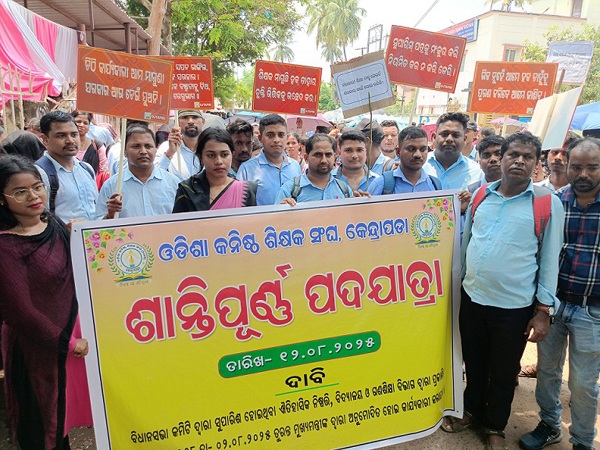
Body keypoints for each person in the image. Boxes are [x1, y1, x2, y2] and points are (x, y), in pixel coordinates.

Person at [444, 132, 564, 450]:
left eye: (528, 157)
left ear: (536, 164)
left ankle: (494, 425)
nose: (519, 161)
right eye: (513, 154)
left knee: (503, 370)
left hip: (514, 307)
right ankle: (471, 411)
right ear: (503, 157)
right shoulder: (481, 194)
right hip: (472, 298)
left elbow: (549, 259)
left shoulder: (546, 203)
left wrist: (543, 311)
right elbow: (468, 241)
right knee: (474, 362)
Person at [0, 155, 89, 449]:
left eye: (37, 187)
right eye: (20, 192)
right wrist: (68, 343)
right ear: (2, 199)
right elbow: (22, 313)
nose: (33, 196)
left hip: (69, 340)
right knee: (42, 428)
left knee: (64, 418)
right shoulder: (6, 245)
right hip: (36, 351)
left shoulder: (53, 224)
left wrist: (81, 236)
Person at [520, 137, 600, 450]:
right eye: (576, 167)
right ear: (567, 165)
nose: (583, 174)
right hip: (553, 304)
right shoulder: (555, 202)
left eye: (592, 167)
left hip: (592, 310)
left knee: (583, 383)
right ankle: (550, 425)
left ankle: (582, 441)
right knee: (548, 372)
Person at [96, 126, 179, 219]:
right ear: (124, 152)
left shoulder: (173, 183)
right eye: (136, 146)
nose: (143, 151)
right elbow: (98, 223)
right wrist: (110, 215)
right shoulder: (111, 186)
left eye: (148, 146)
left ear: (156, 150)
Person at [173, 128, 257, 212]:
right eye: (211, 155)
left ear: (232, 155)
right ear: (200, 157)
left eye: (224, 155)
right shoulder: (187, 190)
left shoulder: (245, 191)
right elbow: (179, 220)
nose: (219, 161)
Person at [36, 111, 98, 223]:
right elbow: (39, 219)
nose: (70, 141)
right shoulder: (39, 174)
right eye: (61, 136)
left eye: (74, 135)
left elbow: (95, 209)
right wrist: (66, 229)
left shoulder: (86, 169)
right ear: (45, 139)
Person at [237, 114, 301, 206]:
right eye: (270, 135)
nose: (276, 140)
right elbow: (240, 205)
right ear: (260, 138)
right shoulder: (247, 169)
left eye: (281, 135)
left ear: (286, 137)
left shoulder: (295, 166)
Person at [275, 133, 355, 205]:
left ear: (334, 157)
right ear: (306, 158)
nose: (324, 160)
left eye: (328, 155)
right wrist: (283, 211)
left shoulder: (344, 190)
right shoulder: (289, 190)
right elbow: (276, 216)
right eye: (318, 155)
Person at [368, 126, 441, 195]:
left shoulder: (435, 185)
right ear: (398, 152)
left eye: (423, 149)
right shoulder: (381, 184)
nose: (418, 155)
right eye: (411, 149)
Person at [423, 112, 484, 190]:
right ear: (434, 137)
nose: (449, 139)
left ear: (464, 139)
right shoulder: (420, 166)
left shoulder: (477, 173)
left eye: (456, 135)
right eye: (444, 134)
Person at [156, 110, 205, 180]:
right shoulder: (166, 147)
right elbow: (155, 175)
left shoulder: (211, 147)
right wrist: (169, 153)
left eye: (195, 117)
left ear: (203, 121)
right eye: (185, 117)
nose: (190, 121)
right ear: (176, 122)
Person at [71, 110, 109, 177]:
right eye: (78, 122)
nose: (82, 125)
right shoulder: (66, 145)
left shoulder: (97, 146)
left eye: (85, 123)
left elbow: (103, 170)